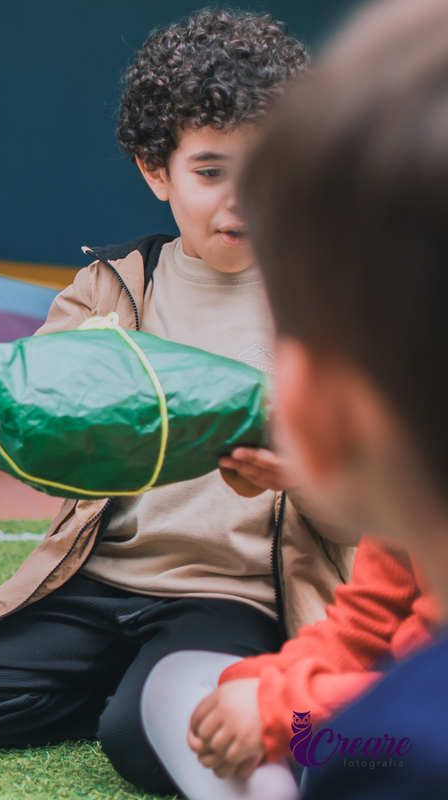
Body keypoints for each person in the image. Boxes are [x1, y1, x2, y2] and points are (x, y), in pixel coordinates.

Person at [0, 10, 358, 794]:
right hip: (100, 580)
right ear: (156, 171)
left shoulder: (326, 308)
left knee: (139, 738)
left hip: (230, 594)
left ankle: (165, 691)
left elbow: (366, 511)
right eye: (211, 171)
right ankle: (142, 682)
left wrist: (299, 475)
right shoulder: (113, 287)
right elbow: (28, 395)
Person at [226, 0, 448, 795]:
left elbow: (385, 724)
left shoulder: (394, 754)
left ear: (316, 418)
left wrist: (284, 710)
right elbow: (364, 625)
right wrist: (269, 686)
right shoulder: (406, 522)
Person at [140, 537, 436, 798]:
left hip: (423, 729)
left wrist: (281, 706)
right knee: (175, 679)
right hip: (383, 705)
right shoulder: (410, 496)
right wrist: (257, 689)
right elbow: (368, 621)